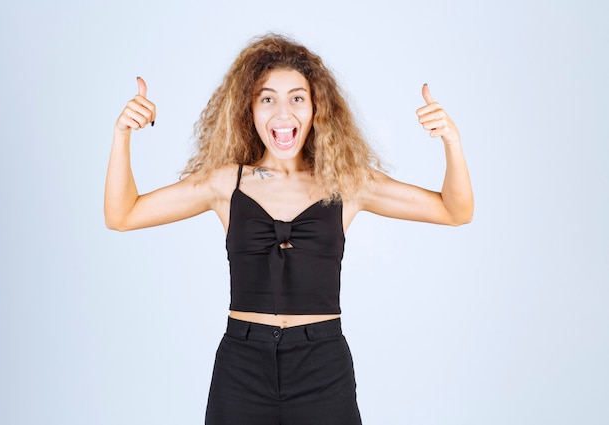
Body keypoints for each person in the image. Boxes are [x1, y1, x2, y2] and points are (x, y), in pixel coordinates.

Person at [105, 33, 473, 425]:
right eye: (268, 99)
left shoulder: (347, 182)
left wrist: (452, 140)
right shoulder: (224, 183)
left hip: (322, 367)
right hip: (241, 367)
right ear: (249, 109)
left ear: (317, 108)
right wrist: (122, 135)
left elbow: (455, 210)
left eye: (297, 98)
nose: (283, 113)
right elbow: (122, 215)